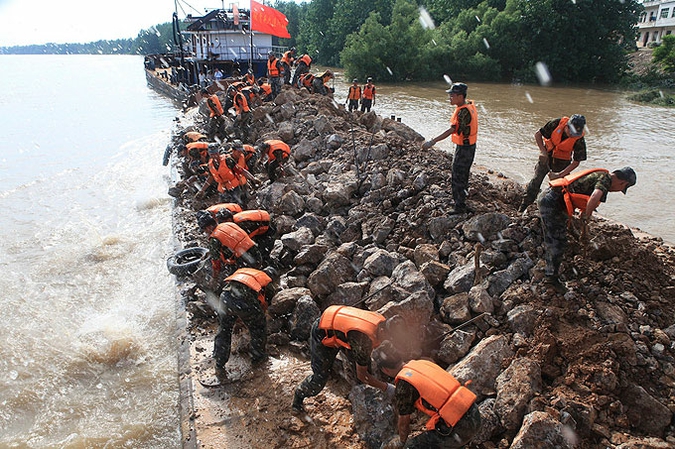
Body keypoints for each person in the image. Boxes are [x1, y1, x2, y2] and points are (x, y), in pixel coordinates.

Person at [538, 166, 636, 292]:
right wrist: (586, 219)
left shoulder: (601, 176)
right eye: (622, 189)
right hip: (551, 202)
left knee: (558, 237)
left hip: (553, 199)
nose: (617, 190)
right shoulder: (605, 179)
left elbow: (585, 200)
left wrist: (584, 229)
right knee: (558, 242)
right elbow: (595, 197)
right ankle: (550, 279)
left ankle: (551, 271)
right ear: (623, 183)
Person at [292, 305, 403, 414]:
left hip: (343, 329)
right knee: (320, 378)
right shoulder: (363, 340)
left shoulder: (381, 322)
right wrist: (387, 388)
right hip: (323, 332)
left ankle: (356, 392)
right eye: (388, 338)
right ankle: (298, 396)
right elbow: (362, 376)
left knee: (364, 364)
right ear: (383, 331)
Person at [373, 343, 481, 449]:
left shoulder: (404, 384)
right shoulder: (422, 363)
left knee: (410, 447)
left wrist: (402, 443)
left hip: (460, 427)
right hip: (474, 413)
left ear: (384, 369)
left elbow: (404, 424)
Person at [212, 266, 279, 380]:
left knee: (224, 329)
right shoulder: (267, 282)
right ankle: (258, 357)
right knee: (258, 327)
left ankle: (219, 362)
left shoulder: (248, 272)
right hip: (243, 300)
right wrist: (256, 317)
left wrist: (238, 315)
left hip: (225, 297)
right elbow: (266, 303)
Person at [422, 83, 478, 214]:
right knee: (463, 176)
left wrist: (432, 141)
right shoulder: (469, 106)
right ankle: (462, 202)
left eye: (452, 95)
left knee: (457, 176)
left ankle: (459, 207)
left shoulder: (463, 112)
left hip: (464, 148)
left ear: (460, 96)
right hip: (470, 146)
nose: (450, 97)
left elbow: (451, 130)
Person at [519, 114, 588, 213]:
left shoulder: (579, 139)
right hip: (546, 157)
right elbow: (538, 134)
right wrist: (543, 151)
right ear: (567, 126)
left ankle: (554, 212)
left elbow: (576, 161)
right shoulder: (556, 124)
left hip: (562, 163)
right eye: (571, 132)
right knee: (535, 181)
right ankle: (523, 207)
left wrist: (560, 174)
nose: (572, 136)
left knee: (560, 190)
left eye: (575, 134)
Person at [198, 219, 264, 289]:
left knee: (234, 284)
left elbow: (216, 263)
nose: (205, 233)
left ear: (209, 227)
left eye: (205, 230)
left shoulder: (214, 239)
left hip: (246, 261)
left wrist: (214, 279)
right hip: (257, 253)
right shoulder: (227, 224)